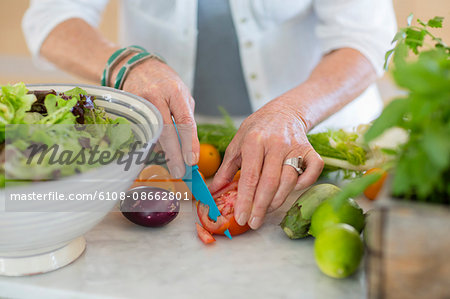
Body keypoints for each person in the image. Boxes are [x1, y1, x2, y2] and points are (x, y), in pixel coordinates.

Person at [22, 0, 396, 230]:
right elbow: (51, 17)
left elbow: (365, 40)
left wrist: (292, 112)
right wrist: (128, 66)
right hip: (163, 148)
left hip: (319, 135)